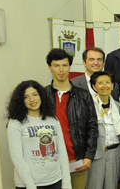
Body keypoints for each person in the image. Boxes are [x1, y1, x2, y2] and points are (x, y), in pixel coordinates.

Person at [45, 48, 98, 189]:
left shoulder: (84, 95)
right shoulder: (43, 96)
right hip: (50, 161)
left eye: (65, 65)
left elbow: (92, 127)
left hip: (77, 160)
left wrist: (89, 156)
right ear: (50, 67)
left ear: (70, 67)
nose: (61, 70)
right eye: (56, 65)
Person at [7, 80, 73, 189]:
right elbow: (17, 157)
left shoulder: (53, 120)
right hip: (30, 184)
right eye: (26, 97)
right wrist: (30, 185)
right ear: (20, 100)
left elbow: (62, 152)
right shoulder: (16, 122)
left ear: (41, 96)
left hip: (55, 180)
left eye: (35, 95)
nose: (32, 100)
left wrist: (66, 183)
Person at [86, 71, 120, 189]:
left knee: (112, 186)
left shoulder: (119, 106)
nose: (104, 86)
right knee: (94, 186)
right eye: (100, 83)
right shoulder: (88, 106)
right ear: (94, 86)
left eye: (108, 82)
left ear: (113, 85)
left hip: (115, 153)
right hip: (96, 153)